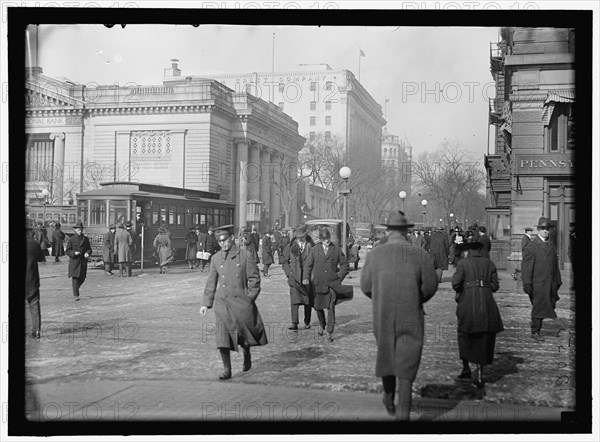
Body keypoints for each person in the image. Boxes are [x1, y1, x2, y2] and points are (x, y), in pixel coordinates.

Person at [360, 210, 438, 421]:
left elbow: (365, 286)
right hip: (411, 314)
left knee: (386, 353)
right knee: (407, 364)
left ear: (388, 230)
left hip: (383, 314)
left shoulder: (375, 254)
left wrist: (380, 297)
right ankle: (402, 416)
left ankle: (387, 394)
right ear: (406, 231)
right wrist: (415, 297)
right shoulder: (419, 254)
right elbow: (430, 286)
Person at [199, 225, 268, 380]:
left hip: (241, 303)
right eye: (219, 241)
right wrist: (205, 303)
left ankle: (247, 353)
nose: (222, 244)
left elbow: (254, 279)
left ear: (231, 238)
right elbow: (211, 282)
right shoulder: (216, 258)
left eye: (224, 240)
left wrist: (249, 298)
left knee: (244, 335)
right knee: (222, 337)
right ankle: (227, 370)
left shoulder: (245, 256)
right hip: (222, 303)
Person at [452, 237, 504, 389]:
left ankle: (466, 368)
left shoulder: (463, 263)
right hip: (487, 303)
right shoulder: (490, 264)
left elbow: (455, 283)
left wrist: (465, 286)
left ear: (468, 250)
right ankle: (480, 373)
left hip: (468, 302)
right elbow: (495, 286)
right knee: (484, 337)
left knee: (464, 334)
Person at [521, 217, 562, 342]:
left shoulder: (550, 245)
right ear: (538, 229)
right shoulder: (532, 246)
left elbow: (555, 265)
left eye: (547, 229)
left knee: (548, 305)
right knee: (539, 307)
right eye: (543, 229)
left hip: (550, 283)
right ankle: (535, 331)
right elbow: (526, 266)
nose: (545, 231)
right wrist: (527, 283)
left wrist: (558, 280)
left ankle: (537, 329)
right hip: (537, 284)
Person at [304, 226, 349, 342]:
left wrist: (339, 278)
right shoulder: (315, 250)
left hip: (332, 284)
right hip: (318, 284)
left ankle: (329, 332)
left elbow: (345, 265)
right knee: (318, 307)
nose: (326, 241)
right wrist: (306, 278)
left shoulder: (336, 250)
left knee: (330, 307)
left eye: (327, 238)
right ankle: (322, 323)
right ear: (320, 239)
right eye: (324, 239)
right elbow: (308, 265)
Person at [282, 226, 315, 331]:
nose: (301, 238)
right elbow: (284, 260)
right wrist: (288, 273)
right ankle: (294, 323)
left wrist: (313, 275)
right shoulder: (290, 246)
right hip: (294, 278)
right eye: (299, 237)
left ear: (306, 235)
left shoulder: (311, 247)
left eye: (302, 236)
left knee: (307, 301)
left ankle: (307, 321)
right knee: (294, 300)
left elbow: (316, 261)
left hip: (307, 278)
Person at [65, 221, 92, 301]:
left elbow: (89, 249)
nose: (80, 231)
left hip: (83, 262)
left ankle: (76, 289)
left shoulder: (85, 239)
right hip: (75, 262)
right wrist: (74, 253)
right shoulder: (71, 239)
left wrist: (87, 253)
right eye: (79, 230)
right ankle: (76, 295)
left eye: (81, 230)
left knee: (82, 278)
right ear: (75, 230)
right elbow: (67, 251)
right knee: (75, 279)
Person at [26, 228, 44, 339]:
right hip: (32, 281)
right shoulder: (35, 244)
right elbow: (41, 259)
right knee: (34, 306)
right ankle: (36, 331)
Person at [568, 222, 576, 290]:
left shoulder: (574, 235)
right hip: (573, 256)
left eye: (570, 226)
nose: (569, 228)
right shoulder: (571, 235)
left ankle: (574, 285)